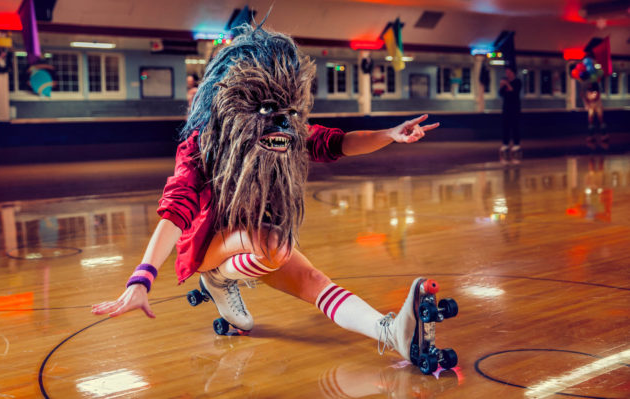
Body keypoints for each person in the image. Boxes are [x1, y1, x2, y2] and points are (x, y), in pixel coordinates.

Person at [91, 25, 441, 366]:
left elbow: (337, 142)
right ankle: (215, 277)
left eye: (287, 113)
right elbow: (175, 213)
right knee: (273, 245)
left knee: (313, 280)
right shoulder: (201, 146)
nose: (283, 122)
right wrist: (142, 279)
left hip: (256, 238)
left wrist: (389, 134)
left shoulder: (284, 128)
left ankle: (392, 334)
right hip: (208, 246)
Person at [498, 66, 522, 163]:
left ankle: (516, 144)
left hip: (515, 108)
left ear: (513, 73)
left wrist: (507, 84)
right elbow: (501, 93)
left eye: (509, 72)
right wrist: (501, 86)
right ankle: (505, 144)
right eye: (506, 72)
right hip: (506, 108)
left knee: (515, 126)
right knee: (505, 126)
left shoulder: (517, 82)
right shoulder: (505, 82)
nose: (507, 74)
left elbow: (514, 92)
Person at [582, 82, 607, 149]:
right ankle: (591, 136)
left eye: (590, 84)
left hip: (598, 106)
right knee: (590, 120)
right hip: (591, 107)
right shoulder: (588, 92)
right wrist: (584, 98)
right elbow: (588, 99)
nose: (589, 85)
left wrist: (588, 98)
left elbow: (595, 98)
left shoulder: (596, 92)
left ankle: (603, 135)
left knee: (601, 120)